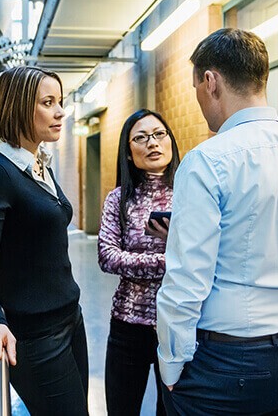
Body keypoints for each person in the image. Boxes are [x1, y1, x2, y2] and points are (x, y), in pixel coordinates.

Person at [156, 28, 278, 415]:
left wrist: (171, 360)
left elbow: (187, 278)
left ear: (211, 81)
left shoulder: (206, 161)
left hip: (226, 362)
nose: (201, 103)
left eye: (196, 90)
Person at [0, 66, 88, 415]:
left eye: (59, 101)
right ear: (19, 107)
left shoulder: (39, 165)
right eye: (48, 102)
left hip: (70, 319)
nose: (60, 111)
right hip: (36, 337)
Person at [98, 109, 180, 416]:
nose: (152, 143)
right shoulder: (118, 199)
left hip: (178, 324)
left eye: (159, 134)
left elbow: (211, 256)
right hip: (127, 326)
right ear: (129, 153)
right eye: (141, 138)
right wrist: (170, 259)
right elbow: (107, 257)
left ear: (170, 141)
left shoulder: (192, 194)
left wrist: (174, 251)